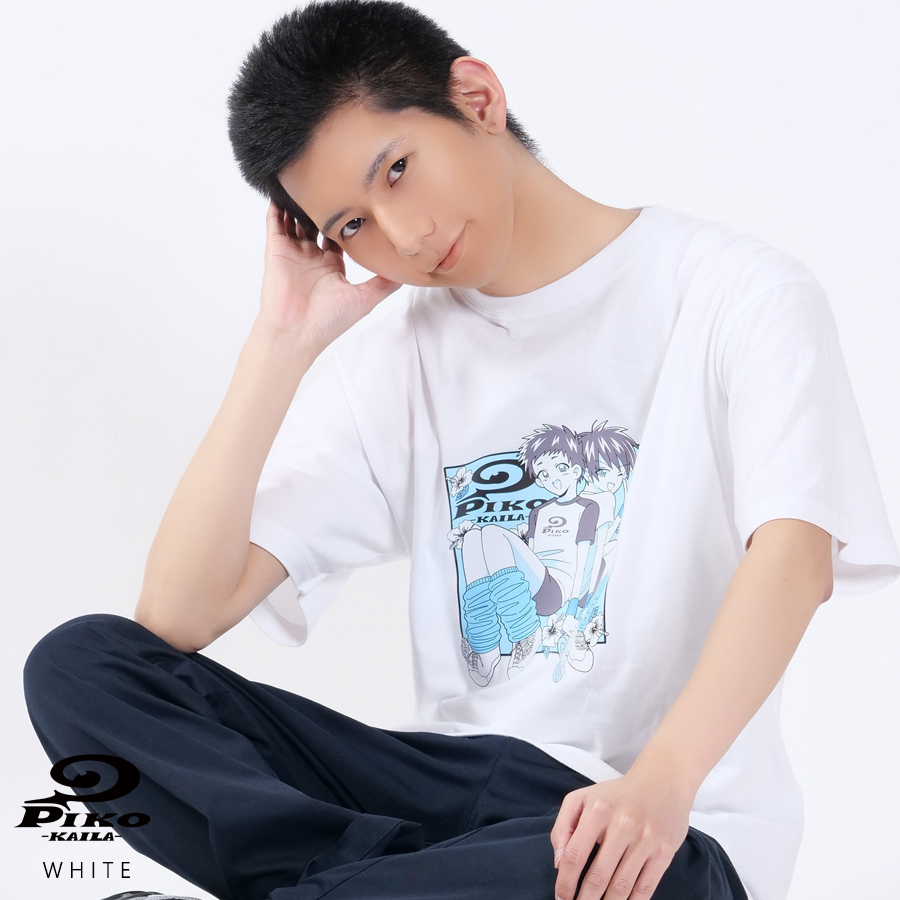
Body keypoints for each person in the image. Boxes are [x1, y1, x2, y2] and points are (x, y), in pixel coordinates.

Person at [22, 2, 899, 900]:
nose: (401, 238)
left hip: (666, 826)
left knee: (577, 871)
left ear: (477, 98)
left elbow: (794, 558)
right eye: (352, 227)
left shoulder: (737, 293)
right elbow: (177, 615)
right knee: (82, 665)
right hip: (447, 796)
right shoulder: (395, 364)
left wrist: (659, 786)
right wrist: (277, 344)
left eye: (397, 171)